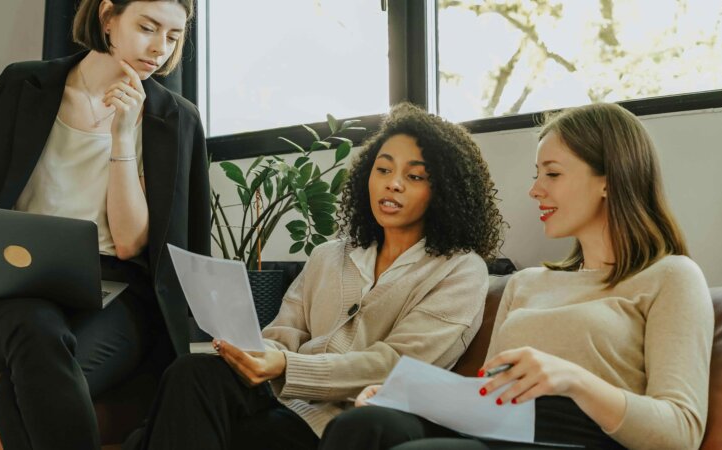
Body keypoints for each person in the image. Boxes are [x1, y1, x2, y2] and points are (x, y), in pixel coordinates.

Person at [319, 103, 714, 450]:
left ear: (608, 179)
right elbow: (485, 397)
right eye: (536, 174)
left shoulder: (671, 276)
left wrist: (573, 379)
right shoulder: (527, 283)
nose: (535, 190)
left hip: (578, 437)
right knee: (362, 425)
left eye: (552, 174)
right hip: (499, 428)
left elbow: (680, 432)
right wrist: (405, 396)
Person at [124, 103, 505, 450]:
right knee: (193, 371)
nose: (393, 183)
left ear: (445, 191)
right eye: (383, 169)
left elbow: (396, 365)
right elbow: (284, 334)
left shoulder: (460, 269)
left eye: (415, 176)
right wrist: (256, 352)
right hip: (280, 397)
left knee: (162, 435)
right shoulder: (329, 254)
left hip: (341, 419)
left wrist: (288, 366)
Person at [0, 1, 209, 449]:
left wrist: (124, 136)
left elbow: (130, 244)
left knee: (20, 392)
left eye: (173, 37)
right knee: (36, 327)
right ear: (108, 17)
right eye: (147, 28)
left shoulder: (174, 119)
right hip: (14, 290)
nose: (159, 49)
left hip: (115, 294)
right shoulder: (21, 86)